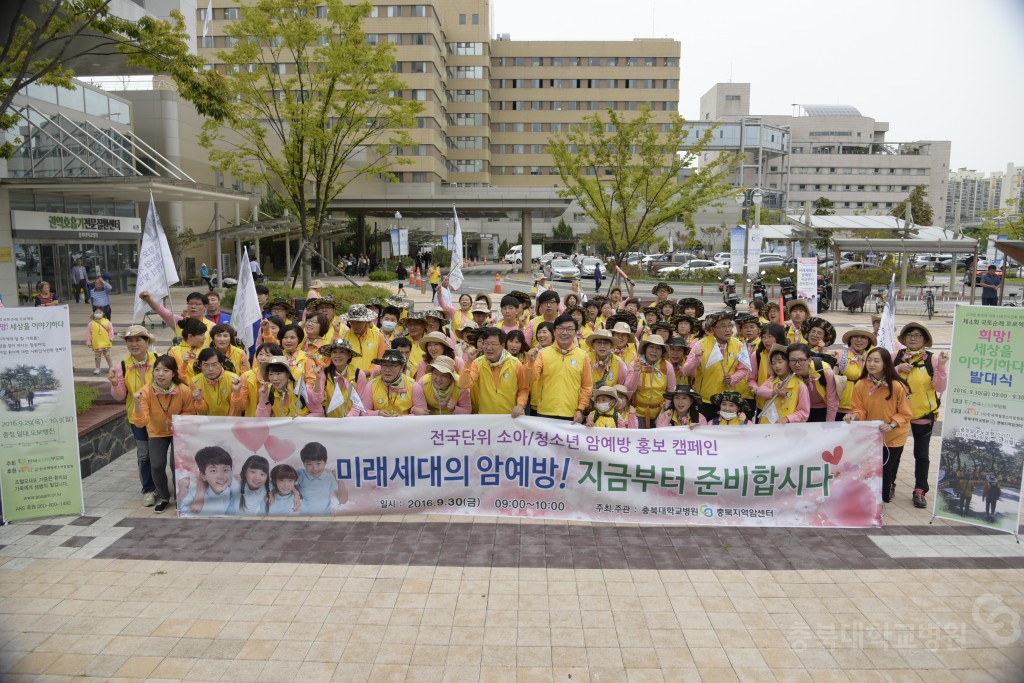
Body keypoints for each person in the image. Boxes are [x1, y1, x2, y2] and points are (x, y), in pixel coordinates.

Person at [844, 348, 913, 504]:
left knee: (885, 469)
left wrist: (892, 424)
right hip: (871, 436)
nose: (872, 364)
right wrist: (854, 416)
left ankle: (881, 503)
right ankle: (870, 500)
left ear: (886, 363)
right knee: (870, 468)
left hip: (893, 436)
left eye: (876, 361)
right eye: (869, 360)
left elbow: (906, 413)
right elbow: (859, 408)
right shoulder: (861, 384)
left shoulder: (897, 385)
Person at [894, 322, 948, 509]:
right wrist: (898, 370)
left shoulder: (931, 360)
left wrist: (940, 366)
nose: (913, 338)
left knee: (921, 454)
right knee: (894, 452)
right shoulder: (896, 357)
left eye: (917, 335)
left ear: (924, 339)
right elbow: (881, 379)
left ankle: (920, 490)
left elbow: (940, 387)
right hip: (897, 415)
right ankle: (889, 483)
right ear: (904, 339)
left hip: (923, 414)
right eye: (910, 335)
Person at [131, 355, 195, 512]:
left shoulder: (184, 390)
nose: (160, 374)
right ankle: (164, 496)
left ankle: (180, 497)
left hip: (177, 432)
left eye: (165, 370)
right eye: (157, 370)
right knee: (157, 465)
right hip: (156, 432)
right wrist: (138, 405)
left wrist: (178, 423)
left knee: (176, 464)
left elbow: (189, 411)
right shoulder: (145, 392)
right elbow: (140, 421)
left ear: (173, 373)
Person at [108, 325, 159, 507]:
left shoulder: (160, 362)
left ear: (147, 342)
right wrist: (115, 384)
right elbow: (121, 396)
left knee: (160, 455)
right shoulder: (122, 366)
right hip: (137, 419)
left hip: (160, 418)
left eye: (138, 340)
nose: (134, 344)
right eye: (130, 341)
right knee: (144, 454)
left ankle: (163, 487)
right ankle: (148, 489)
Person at [680, 312, 750, 422]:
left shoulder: (739, 345)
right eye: (723, 326)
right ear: (712, 329)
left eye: (729, 325)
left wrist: (733, 379)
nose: (728, 329)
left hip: (728, 403)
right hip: (705, 401)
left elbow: (743, 368)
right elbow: (685, 371)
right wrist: (696, 359)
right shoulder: (700, 344)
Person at [525, 313, 593, 422]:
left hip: (572, 413)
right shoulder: (542, 353)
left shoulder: (583, 355)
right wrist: (530, 363)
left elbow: (587, 386)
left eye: (569, 329)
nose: (564, 332)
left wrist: (581, 409)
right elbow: (530, 378)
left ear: (576, 332)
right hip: (545, 412)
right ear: (554, 332)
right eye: (560, 329)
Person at [459, 327, 530, 416]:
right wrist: (469, 362)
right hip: (486, 418)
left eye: (493, 344)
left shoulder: (515, 364)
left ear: (503, 345)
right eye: (486, 343)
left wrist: (520, 405)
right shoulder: (478, 363)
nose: (489, 348)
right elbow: (464, 385)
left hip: (509, 417)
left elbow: (523, 389)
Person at [754, 344, 810, 424]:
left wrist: (787, 418)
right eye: (773, 363)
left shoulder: (800, 385)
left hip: (787, 429)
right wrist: (773, 392)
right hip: (766, 425)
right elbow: (759, 391)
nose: (777, 366)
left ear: (789, 363)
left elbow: (804, 412)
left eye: (780, 362)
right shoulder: (772, 380)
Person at [630, 335, 676, 429]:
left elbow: (671, 390)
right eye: (651, 347)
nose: (654, 351)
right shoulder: (635, 363)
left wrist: (666, 410)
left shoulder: (667, 366)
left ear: (662, 352)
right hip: (638, 412)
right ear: (645, 349)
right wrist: (636, 373)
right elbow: (629, 389)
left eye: (658, 348)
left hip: (660, 413)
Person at [788, 342, 839, 422]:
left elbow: (832, 401)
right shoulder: (789, 372)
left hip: (821, 409)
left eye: (801, 360)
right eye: (793, 360)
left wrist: (829, 423)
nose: (797, 365)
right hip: (798, 410)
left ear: (809, 360)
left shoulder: (825, 371)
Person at [317, 339, 368, 418]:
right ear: (330, 354)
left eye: (342, 352)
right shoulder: (325, 373)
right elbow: (318, 399)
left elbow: (358, 404)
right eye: (334, 352)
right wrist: (317, 379)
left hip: (352, 422)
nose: (337, 355)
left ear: (349, 355)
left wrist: (347, 419)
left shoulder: (359, 375)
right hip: (330, 422)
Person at [359, 349, 417, 416]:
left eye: (392, 366)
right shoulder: (371, 385)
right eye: (384, 365)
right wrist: (377, 413)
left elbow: (422, 413)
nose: (387, 370)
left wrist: (403, 417)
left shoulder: (413, 386)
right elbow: (363, 412)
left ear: (401, 367)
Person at [834, 328, 875, 421]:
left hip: (865, 405)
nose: (859, 340)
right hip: (843, 406)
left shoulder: (872, 357)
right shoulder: (841, 356)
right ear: (850, 339)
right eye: (856, 336)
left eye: (863, 337)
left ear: (868, 341)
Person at [190, 348, 246, 416]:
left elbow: (240, 408)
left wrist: (237, 393)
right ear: (200, 366)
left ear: (221, 364)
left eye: (214, 364)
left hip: (230, 422)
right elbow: (201, 412)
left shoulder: (234, 379)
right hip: (208, 423)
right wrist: (199, 401)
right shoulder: (195, 382)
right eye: (206, 365)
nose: (210, 369)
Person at [297, 442, 347, 514]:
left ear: (325, 462)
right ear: (304, 464)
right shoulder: (300, 474)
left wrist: (339, 480)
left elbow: (343, 500)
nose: (315, 468)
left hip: (325, 519)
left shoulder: (329, 475)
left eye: (319, 463)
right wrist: (296, 492)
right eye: (309, 464)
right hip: (305, 519)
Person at [338, 304, 388, 375]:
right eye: (352, 321)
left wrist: (369, 372)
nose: (355, 325)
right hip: (348, 382)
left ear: (366, 321)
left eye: (359, 322)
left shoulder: (378, 337)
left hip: (372, 382)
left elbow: (384, 361)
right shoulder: (343, 338)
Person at [139, 289, 214, 334]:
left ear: (206, 307)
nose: (193, 307)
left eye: (197, 304)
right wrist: (148, 300)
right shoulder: (179, 321)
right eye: (190, 303)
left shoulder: (212, 326)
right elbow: (161, 310)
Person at [86, 309, 114, 375]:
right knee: (97, 357)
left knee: (107, 355)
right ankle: (97, 368)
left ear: (103, 313)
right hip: (97, 343)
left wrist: (111, 338)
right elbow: (88, 334)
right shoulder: (91, 324)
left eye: (100, 312)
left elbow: (111, 331)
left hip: (105, 342)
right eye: (96, 312)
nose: (98, 313)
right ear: (93, 313)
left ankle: (111, 367)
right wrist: (89, 342)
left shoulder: (107, 322)